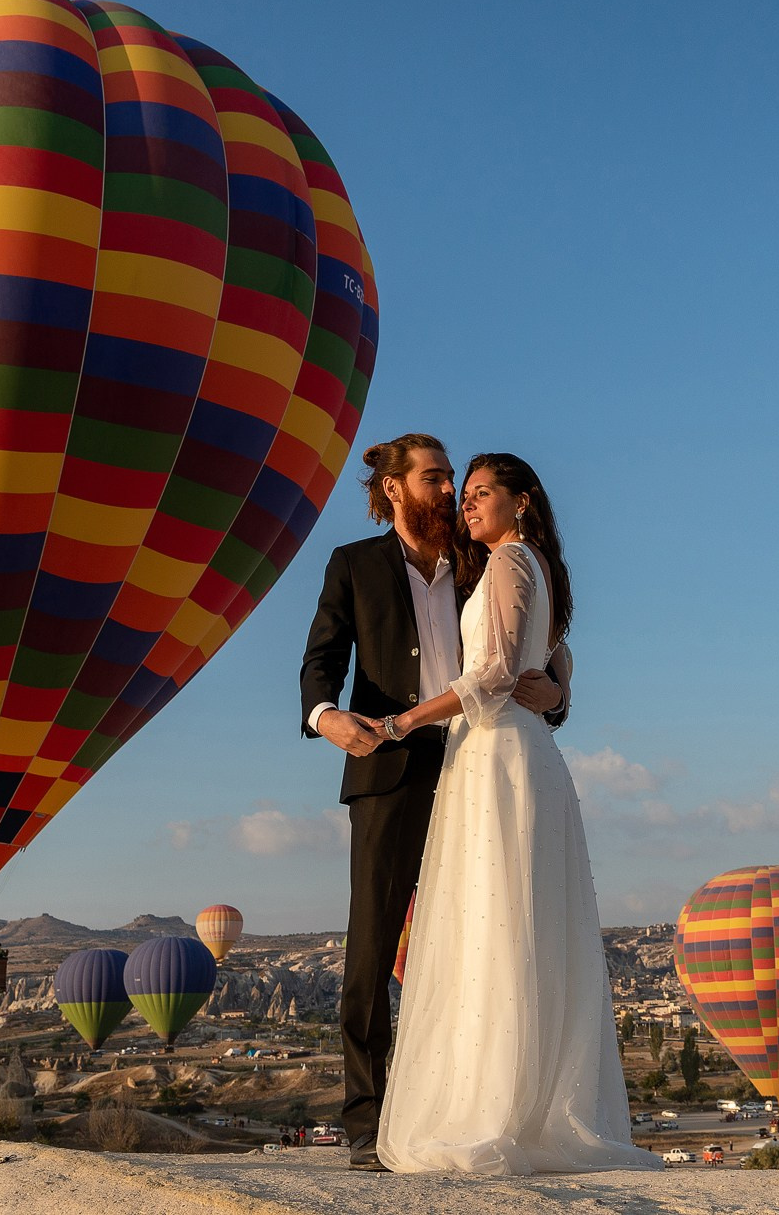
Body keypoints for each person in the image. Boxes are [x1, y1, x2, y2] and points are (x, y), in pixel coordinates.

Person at [373, 454, 658, 1174]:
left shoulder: (508, 562)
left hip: (495, 754)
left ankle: (493, 1108)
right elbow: (558, 665)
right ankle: (526, 1108)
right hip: (513, 754)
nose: (468, 505)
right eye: (462, 494)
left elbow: (496, 674)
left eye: (481, 493)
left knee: (492, 923)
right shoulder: (531, 565)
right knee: (518, 925)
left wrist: (405, 719)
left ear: (520, 500)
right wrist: (557, 697)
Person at [300, 434, 568, 1171]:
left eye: (455, 478)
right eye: (435, 477)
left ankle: (469, 1105)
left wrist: (560, 687)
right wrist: (327, 717)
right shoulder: (353, 564)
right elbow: (322, 656)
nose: (450, 490)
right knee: (372, 947)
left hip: (478, 768)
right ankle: (366, 1121)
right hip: (388, 770)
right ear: (393, 488)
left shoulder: (484, 557)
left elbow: (541, 636)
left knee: (477, 942)